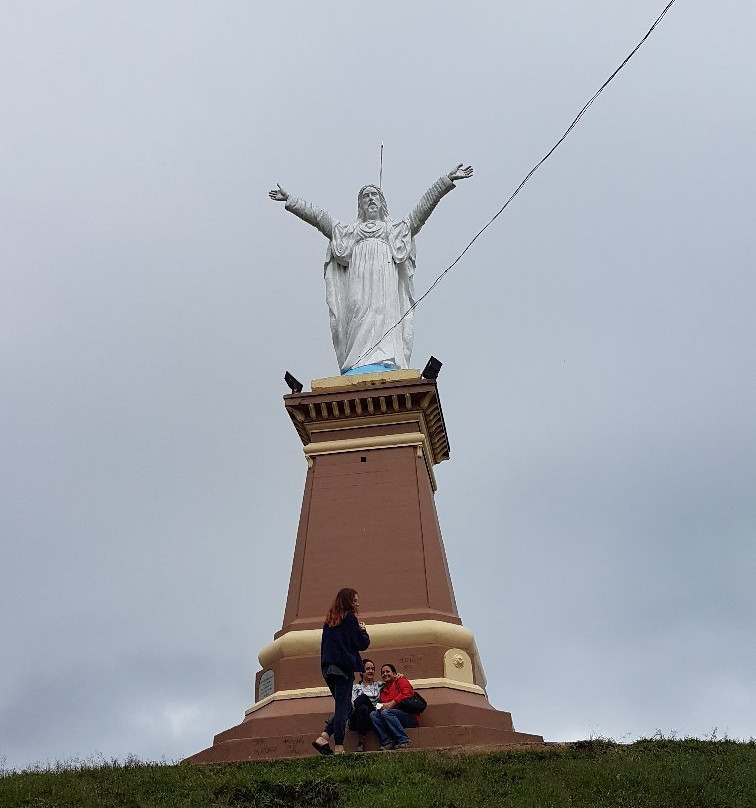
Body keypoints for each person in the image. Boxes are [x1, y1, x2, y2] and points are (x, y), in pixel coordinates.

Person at [268, 165, 474, 375]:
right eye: (365, 196)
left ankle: (385, 358)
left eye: (374, 195)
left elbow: (420, 212)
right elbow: (320, 218)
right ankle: (358, 362)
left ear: (382, 202)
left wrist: (445, 182)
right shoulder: (349, 232)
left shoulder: (393, 230)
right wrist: (291, 201)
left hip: (384, 281)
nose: (370, 199)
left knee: (384, 315)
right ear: (360, 205)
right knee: (357, 312)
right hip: (359, 278)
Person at [312, 588, 370, 755]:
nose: (357, 603)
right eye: (355, 600)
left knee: (346, 707)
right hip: (343, 669)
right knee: (341, 708)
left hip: (328, 669)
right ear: (348, 601)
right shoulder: (350, 619)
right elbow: (360, 644)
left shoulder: (329, 620)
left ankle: (323, 737)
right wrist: (363, 631)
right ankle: (338, 746)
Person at [370, 663, 419, 750]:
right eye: (383, 672)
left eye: (388, 671)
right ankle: (387, 742)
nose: (385, 674)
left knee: (386, 712)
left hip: (409, 716)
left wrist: (392, 703)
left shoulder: (400, 680)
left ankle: (404, 741)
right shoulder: (382, 690)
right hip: (391, 718)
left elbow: (408, 692)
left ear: (394, 673)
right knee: (373, 714)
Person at [349, 659, 382, 752]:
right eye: (367, 669)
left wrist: (399, 676)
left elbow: (392, 680)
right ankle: (361, 741)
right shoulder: (355, 687)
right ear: (361, 672)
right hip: (356, 720)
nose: (371, 671)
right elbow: (351, 704)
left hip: (371, 718)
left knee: (363, 699)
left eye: (372, 669)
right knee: (362, 707)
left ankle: (361, 743)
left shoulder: (379, 685)